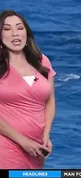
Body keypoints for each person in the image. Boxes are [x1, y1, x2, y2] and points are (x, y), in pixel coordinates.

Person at [0, 10, 56, 169]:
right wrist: (23, 141)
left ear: (26, 32)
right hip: (5, 146)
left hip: (36, 149)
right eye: (7, 29)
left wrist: (46, 134)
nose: (14, 34)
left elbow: (50, 101)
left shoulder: (41, 61)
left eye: (19, 28)